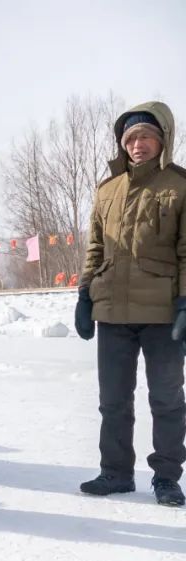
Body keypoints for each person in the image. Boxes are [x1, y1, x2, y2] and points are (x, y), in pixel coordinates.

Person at [75, 101, 186, 507]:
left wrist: (185, 304)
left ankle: (167, 477)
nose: (139, 145)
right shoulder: (108, 189)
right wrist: (84, 294)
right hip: (113, 312)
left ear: (163, 140)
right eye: (132, 138)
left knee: (167, 399)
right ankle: (116, 472)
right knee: (114, 400)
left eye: (147, 137)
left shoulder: (179, 185)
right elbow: (96, 247)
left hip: (162, 312)